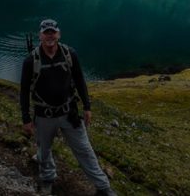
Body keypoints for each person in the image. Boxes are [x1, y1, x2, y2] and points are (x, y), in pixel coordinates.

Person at [20, 19, 117, 196]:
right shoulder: (30, 61)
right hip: (44, 115)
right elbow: (24, 91)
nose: (50, 36)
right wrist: (26, 118)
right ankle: (48, 180)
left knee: (85, 150)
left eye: (53, 32)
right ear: (40, 35)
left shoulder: (69, 54)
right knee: (44, 150)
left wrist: (87, 106)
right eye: (46, 32)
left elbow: (80, 80)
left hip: (69, 112)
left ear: (58, 34)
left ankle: (103, 187)